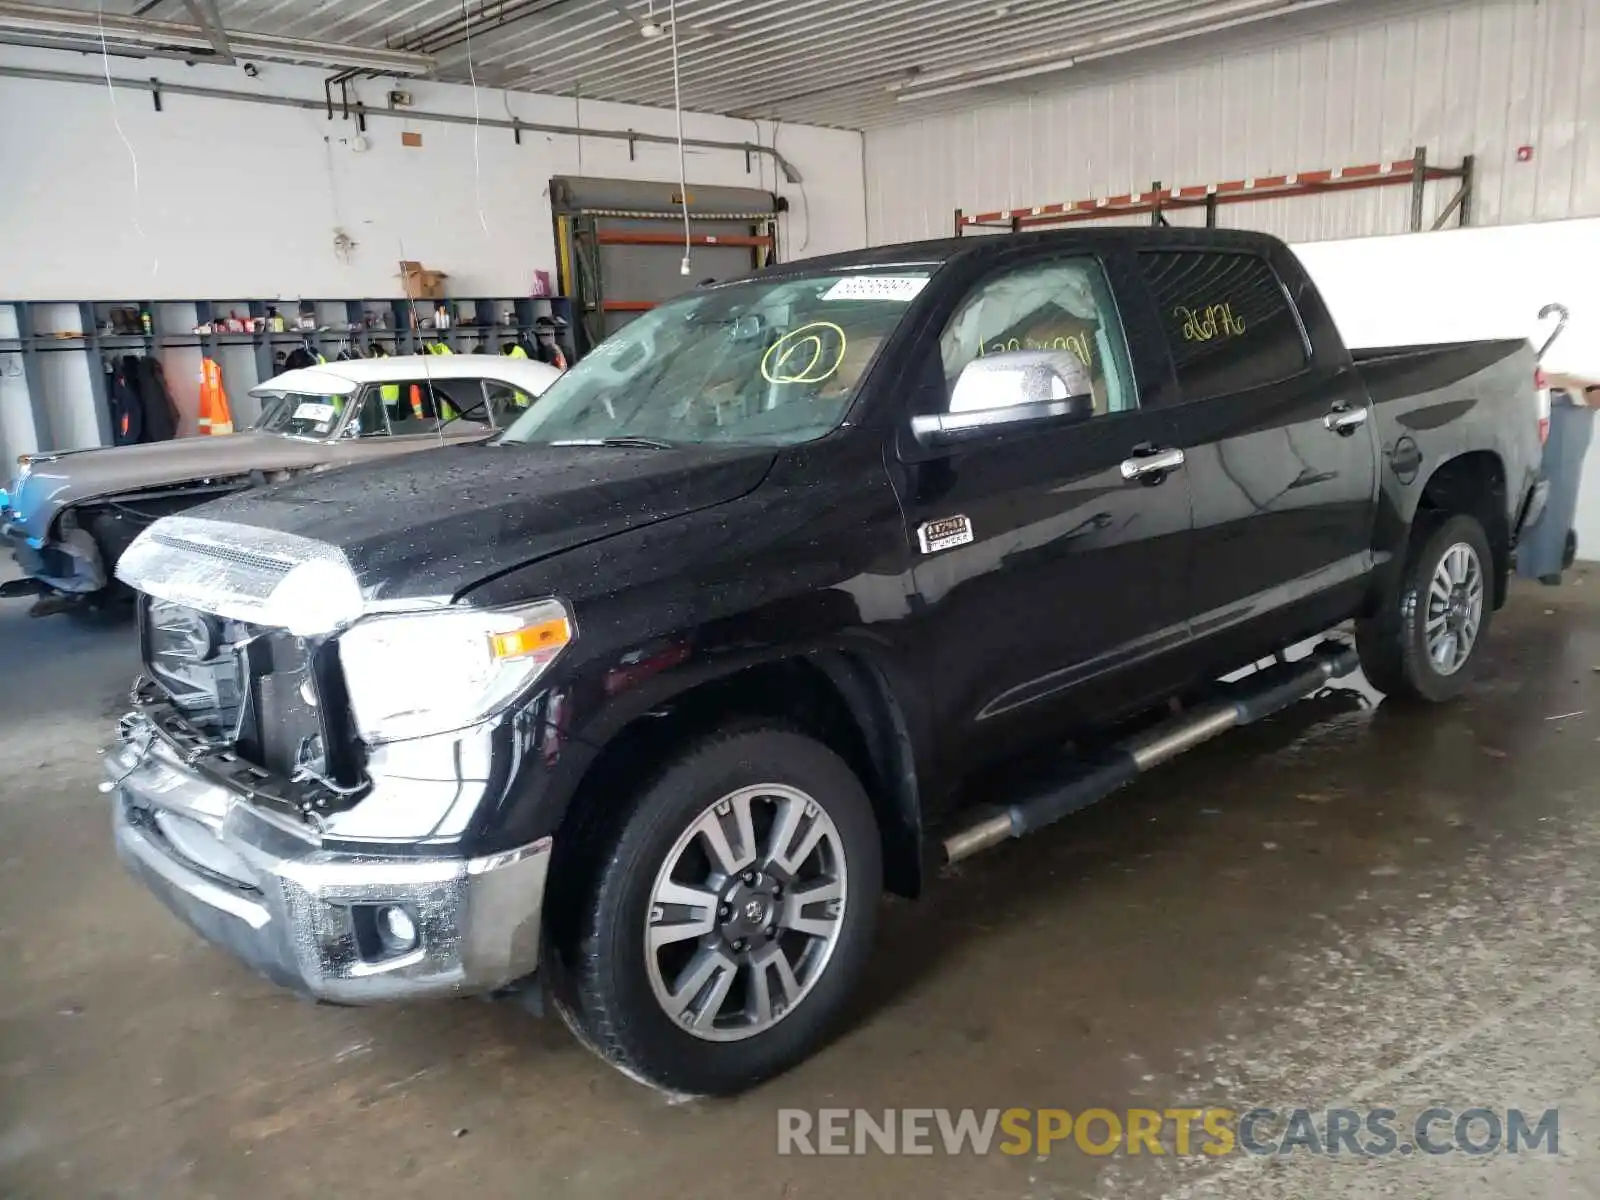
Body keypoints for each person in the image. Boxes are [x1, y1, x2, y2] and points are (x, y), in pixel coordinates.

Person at [1518, 373, 1599, 584]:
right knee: (1517, 481)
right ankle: (1519, 557)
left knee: (1559, 489)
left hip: (1568, 404)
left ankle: (1546, 563)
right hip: (1525, 393)